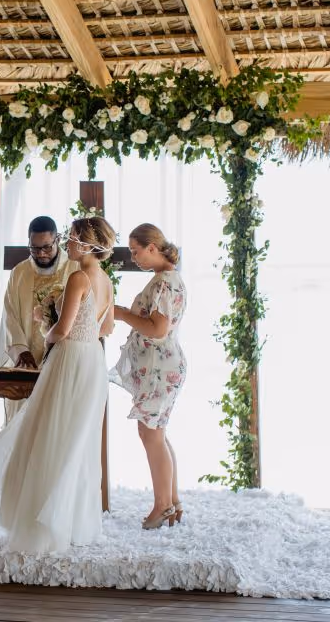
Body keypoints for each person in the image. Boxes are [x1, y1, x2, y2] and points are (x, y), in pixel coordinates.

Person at [0, 217, 116, 553]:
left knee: (50, 437)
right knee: (77, 441)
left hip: (68, 360)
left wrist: (45, 330)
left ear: (84, 243)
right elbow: (106, 327)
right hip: (92, 361)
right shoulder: (106, 280)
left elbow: (62, 330)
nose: (65, 244)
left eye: (70, 239)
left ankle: (43, 525)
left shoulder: (79, 275)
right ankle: (73, 522)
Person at [110, 223, 187, 530]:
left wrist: (120, 313)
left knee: (150, 434)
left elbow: (157, 329)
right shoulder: (163, 279)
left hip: (160, 368)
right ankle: (172, 500)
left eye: (135, 251)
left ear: (152, 248)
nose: (133, 258)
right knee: (157, 433)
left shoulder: (166, 283)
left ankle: (162, 505)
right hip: (159, 367)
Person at [0, 216, 78, 420]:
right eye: (34, 248)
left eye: (46, 247)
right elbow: (10, 315)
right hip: (28, 363)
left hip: (62, 359)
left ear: (57, 239)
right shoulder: (19, 273)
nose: (41, 254)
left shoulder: (74, 270)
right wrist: (21, 351)